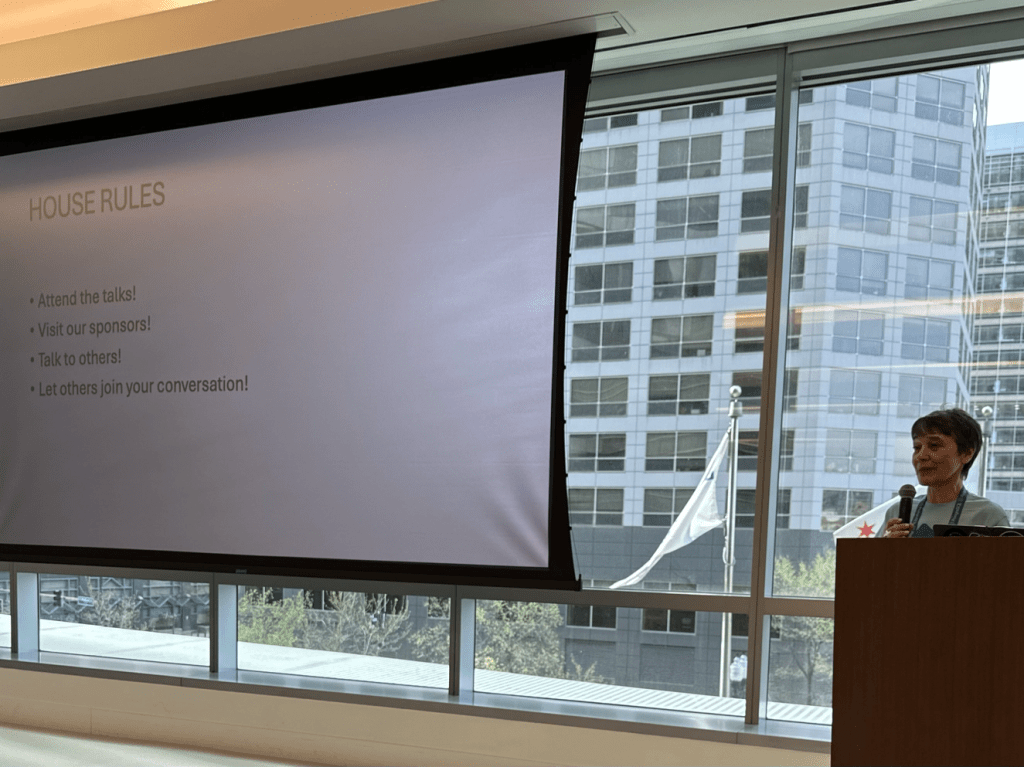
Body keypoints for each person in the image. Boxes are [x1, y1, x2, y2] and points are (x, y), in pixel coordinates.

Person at [882, 408, 1008, 538]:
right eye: (917, 447)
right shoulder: (897, 513)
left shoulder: (988, 515)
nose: (921, 456)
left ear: (966, 454)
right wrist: (885, 547)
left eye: (934, 446)